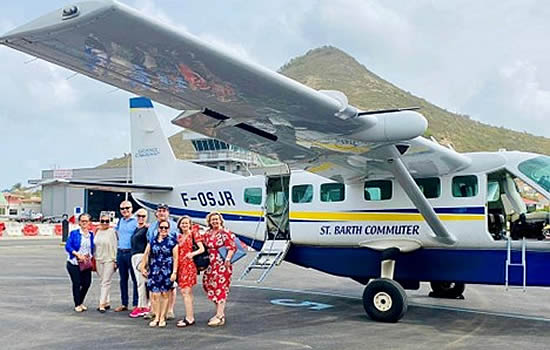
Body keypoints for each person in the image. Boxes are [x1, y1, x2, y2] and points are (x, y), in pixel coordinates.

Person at [140, 220, 178, 328]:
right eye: (162, 227)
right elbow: (146, 254)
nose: (163, 230)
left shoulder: (172, 242)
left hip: (167, 270)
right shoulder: (152, 241)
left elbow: (176, 258)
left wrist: (174, 272)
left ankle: (162, 317)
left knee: (165, 294)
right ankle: (156, 316)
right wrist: (143, 267)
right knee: (155, 295)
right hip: (154, 270)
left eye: (166, 228)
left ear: (169, 229)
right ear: (158, 228)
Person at [202, 211, 236, 327]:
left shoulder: (225, 233)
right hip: (211, 264)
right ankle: (219, 313)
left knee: (220, 288)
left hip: (221, 264)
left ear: (221, 220)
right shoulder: (208, 233)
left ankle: (220, 315)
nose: (215, 221)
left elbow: (232, 247)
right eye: (213, 220)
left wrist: (227, 259)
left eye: (217, 219)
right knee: (209, 286)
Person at [175, 216, 205, 327]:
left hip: (188, 265)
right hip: (180, 265)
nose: (184, 225)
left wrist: (192, 254)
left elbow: (201, 248)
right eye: (182, 223)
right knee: (187, 292)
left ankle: (189, 317)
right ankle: (190, 314)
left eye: (186, 223)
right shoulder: (179, 237)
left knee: (185, 292)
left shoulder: (193, 234)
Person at [65, 213, 95, 312]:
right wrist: (77, 254)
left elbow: (93, 248)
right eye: (82, 221)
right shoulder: (74, 233)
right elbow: (68, 246)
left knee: (87, 283)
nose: (84, 223)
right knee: (77, 283)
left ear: (89, 222)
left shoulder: (91, 235)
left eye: (86, 221)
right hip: (74, 263)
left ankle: (81, 301)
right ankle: (77, 304)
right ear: (79, 222)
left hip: (86, 263)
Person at [114, 200, 139, 312]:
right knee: (123, 279)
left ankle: (135, 303)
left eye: (127, 208)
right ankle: (124, 303)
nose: (125, 210)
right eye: (122, 209)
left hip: (131, 252)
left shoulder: (136, 221)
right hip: (121, 252)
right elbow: (116, 234)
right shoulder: (120, 221)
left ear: (131, 208)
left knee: (135, 279)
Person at [129, 209, 150, 318]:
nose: (140, 218)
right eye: (138, 216)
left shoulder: (147, 229)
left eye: (143, 216)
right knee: (139, 282)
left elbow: (149, 244)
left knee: (142, 282)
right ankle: (142, 304)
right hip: (134, 256)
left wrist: (145, 260)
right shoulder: (137, 229)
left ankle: (143, 306)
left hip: (141, 256)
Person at [94, 214, 118, 313]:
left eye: (106, 221)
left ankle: (101, 303)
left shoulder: (112, 232)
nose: (104, 223)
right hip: (98, 259)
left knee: (105, 281)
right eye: (102, 221)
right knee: (102, 280)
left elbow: (115, 246)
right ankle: (107, 301)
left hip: (109, 259)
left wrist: (115, 260)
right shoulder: (97, 231)